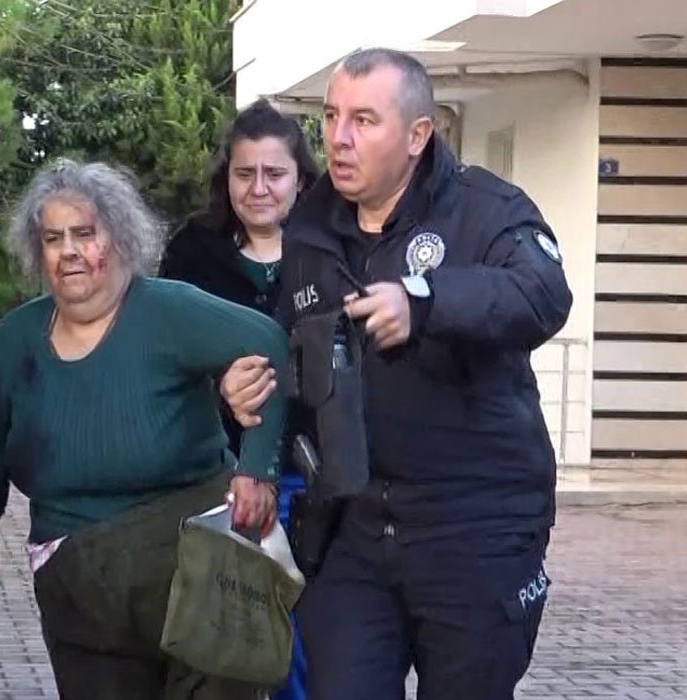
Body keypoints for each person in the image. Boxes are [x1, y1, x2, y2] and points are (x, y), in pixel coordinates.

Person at [220, 47, 573, 700]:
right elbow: (291, 350)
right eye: (331, 117)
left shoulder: (487, 210)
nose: (339, 137)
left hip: (477, 530)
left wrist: (426, 301)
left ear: (417, 135)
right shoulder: (310, 229)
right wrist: (251, 392)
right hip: (352, 530)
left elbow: (543, 294)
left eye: (364, 120)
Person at [0, 158, 289, 700]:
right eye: (53, 238)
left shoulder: (167, 310)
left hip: (195, 563)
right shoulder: (18, 337)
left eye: (85, 234)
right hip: (80, 583)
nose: (69, 251)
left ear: (120, 238)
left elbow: (268, 341)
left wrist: (257, 471)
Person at [158, 97, 321, 700]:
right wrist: (217, 385)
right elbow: (166, 355)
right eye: (244, 173)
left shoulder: (329, 252)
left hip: (315, 482)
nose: (258, 188)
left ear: (300, 179)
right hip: (216, 480)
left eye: (274, 173)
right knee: (226, 647)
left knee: (304, 648)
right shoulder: (193, 252)